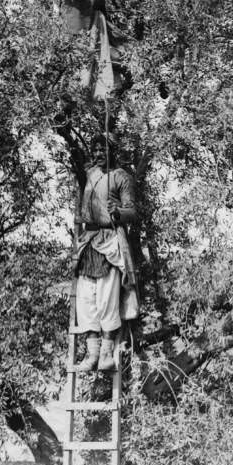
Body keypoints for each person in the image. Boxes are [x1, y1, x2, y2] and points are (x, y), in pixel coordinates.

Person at [73, 134, 139, 371]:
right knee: (86, 299)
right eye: (96, 150)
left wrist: (118, 211)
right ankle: (91, 355)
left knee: (106, 299)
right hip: (88, 243)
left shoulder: (122, 177)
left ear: (113, 151)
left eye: (103, 149)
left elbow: (133, 212)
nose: (99, 154)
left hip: (110, 242)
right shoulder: (91, 174)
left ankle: (106, 355)